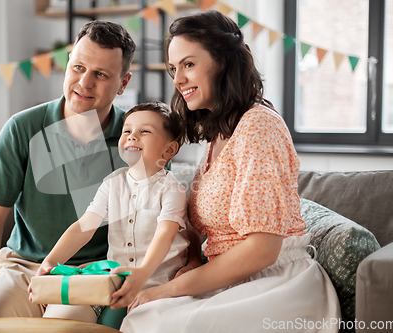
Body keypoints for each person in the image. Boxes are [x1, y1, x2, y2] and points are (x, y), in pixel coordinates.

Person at [120, 11, 341, 333]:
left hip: (275, 282)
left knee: (150, 319)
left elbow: (262, 251)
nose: (177, 79)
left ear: (223, 62)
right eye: (173, 68)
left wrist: (166, 289)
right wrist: (194, 259)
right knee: (143, 315)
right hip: (230, 278)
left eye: (189, 64)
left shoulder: (258, 126)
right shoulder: (220, 133)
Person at [0, 20, 136, 324]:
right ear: (67, 64)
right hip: (23, 269)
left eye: (100, 74)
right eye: (78, 68)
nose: (84, 83)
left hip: (90, 273)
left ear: (123, 83)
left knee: (57, 330)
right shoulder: (22, 128)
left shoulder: (140, 138)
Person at [29, 101, 190, 322]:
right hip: (113, 280)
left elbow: (166, 234)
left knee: (118, 322)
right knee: (60, 319)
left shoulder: (172, 189)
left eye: (145, 131)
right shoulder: (112, 183)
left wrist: (142, 273)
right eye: (127, 131)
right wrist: (50, 261)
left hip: (156, 285)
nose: (132, 137)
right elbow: (84, 227)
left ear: (169, 149)